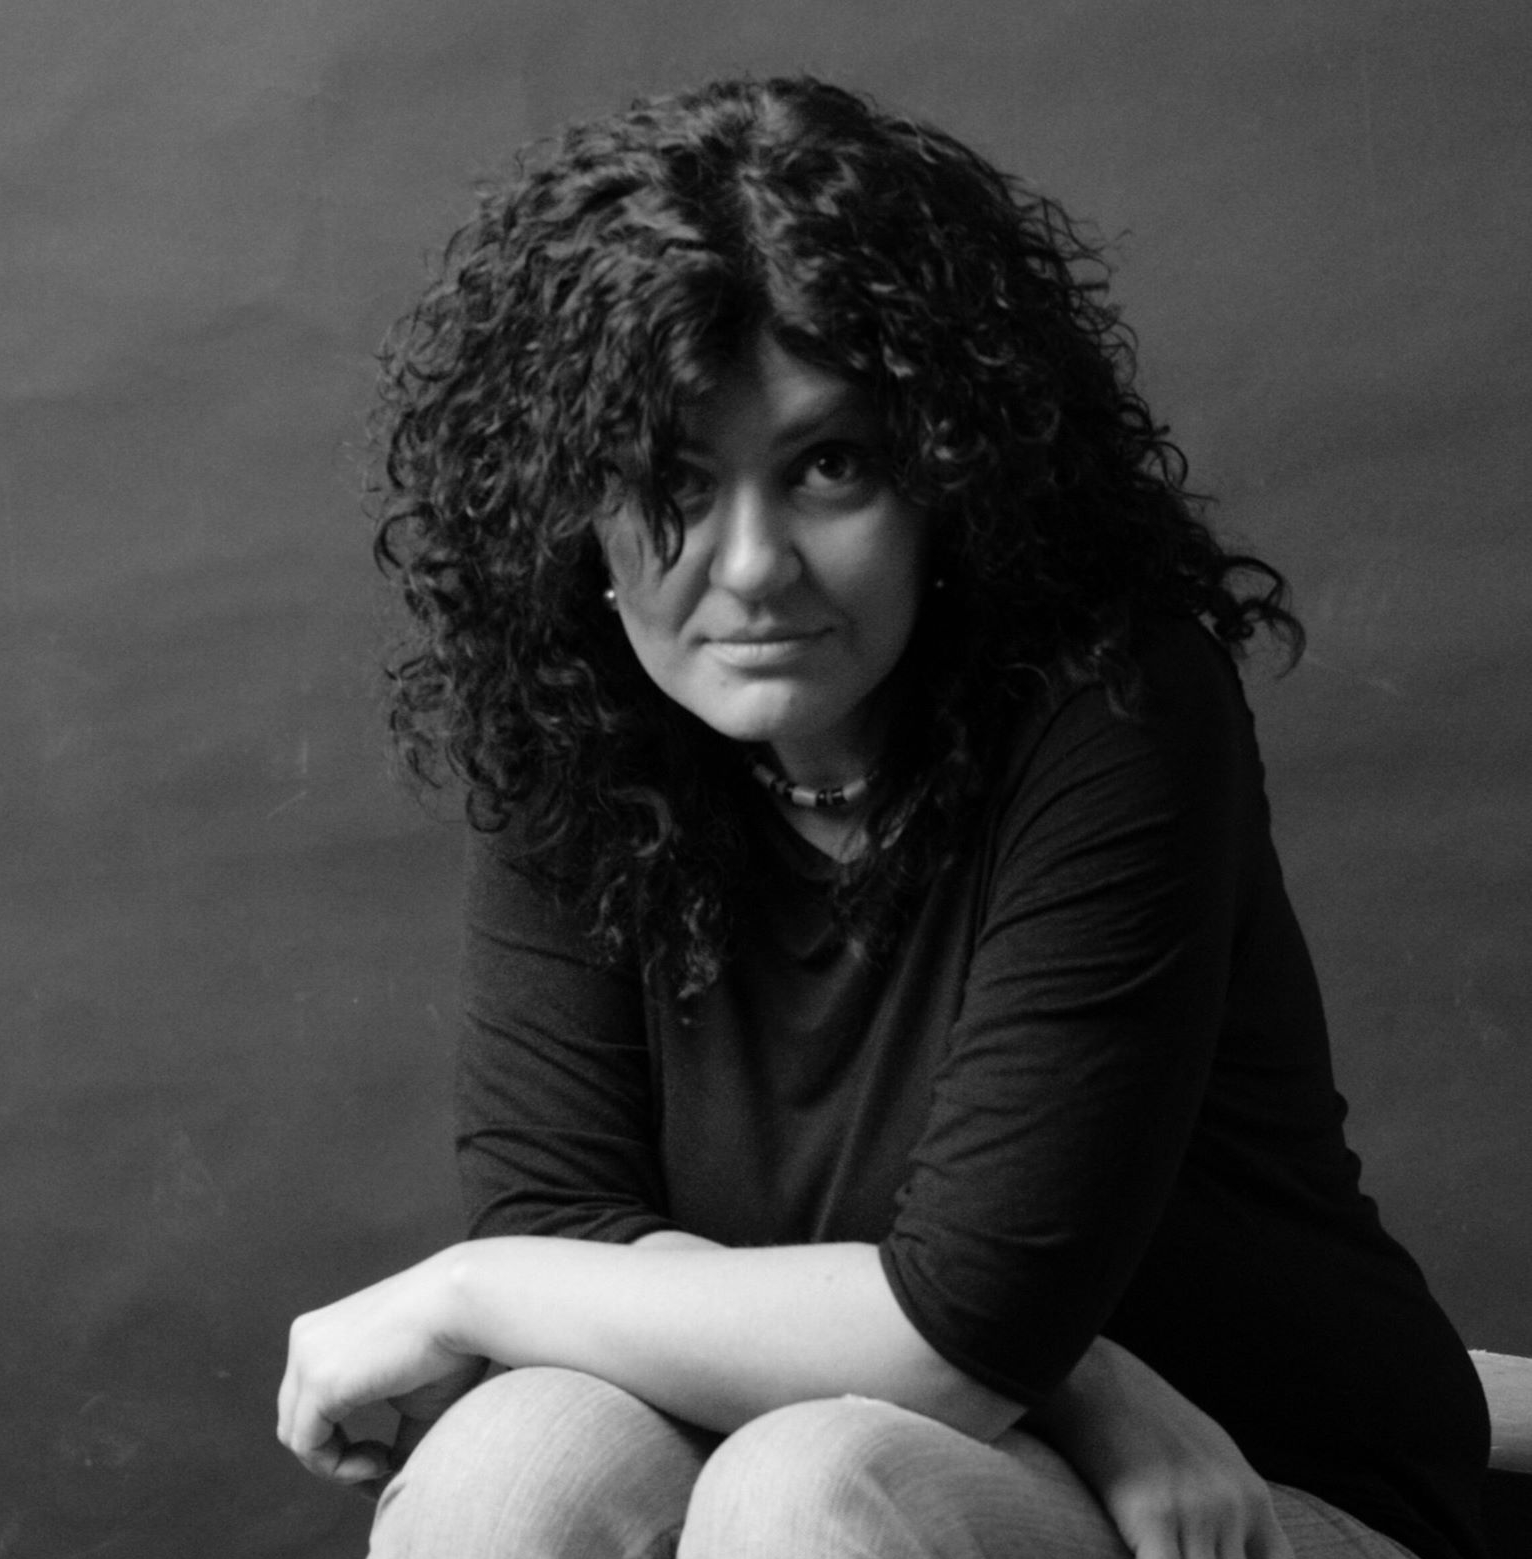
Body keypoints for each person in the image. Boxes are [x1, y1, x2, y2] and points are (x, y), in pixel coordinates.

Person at [277, 76, 1490, 1559]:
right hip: (952, 1433)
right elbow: (567, 1225)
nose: (751, 568)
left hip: (1266, 1492)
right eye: (670, 479)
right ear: (571, 507)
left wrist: (463, 1292)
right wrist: (1079, 1376)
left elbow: (945, 1336)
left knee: (812, 1488)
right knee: (513, 1464)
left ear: (948, 478)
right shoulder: (578, 729)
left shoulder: (1113, 703)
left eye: (830, 466)